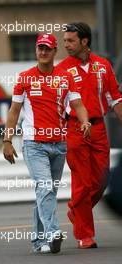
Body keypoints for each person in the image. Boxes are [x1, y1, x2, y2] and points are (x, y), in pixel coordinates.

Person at [3, 33, 91, 254]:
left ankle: (39, 242)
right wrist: (7, 140)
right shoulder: (24, 78)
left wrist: (85, 121)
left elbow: (78, 104)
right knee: (45, 189)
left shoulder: (65, 77)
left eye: (47, 49)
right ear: (36, 50)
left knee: (46, 192)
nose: (43, 52)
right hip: (34, 145)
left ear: (54, 52)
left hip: (59, 144)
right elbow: (14, 112)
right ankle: (52, 233)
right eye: (40, 48)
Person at [58, 22, 122, 249]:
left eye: (70, 40)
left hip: (99, 128)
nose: (65, 44)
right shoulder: (62, 69)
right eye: (64, 40)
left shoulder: (103, 66)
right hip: (74, 129)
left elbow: (116, 98)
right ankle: (85, 236)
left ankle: (76, 209)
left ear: (84, 41)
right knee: (82, 183)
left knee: (103, 180)